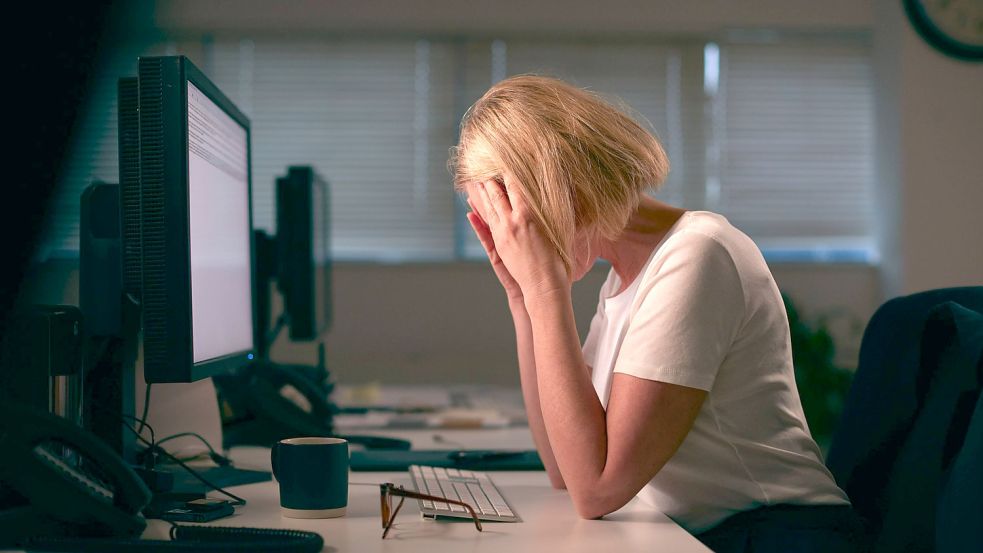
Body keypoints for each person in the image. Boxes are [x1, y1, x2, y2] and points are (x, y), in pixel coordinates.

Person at [451, 75, 866, 552]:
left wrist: (545, 289)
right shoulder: (625, 277)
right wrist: (523, 300)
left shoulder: (698, 254)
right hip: (703, 535)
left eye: (511, 219)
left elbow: (596, 490)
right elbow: (563, 466)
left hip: (780, 535)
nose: (511, 238)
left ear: (554, 189)